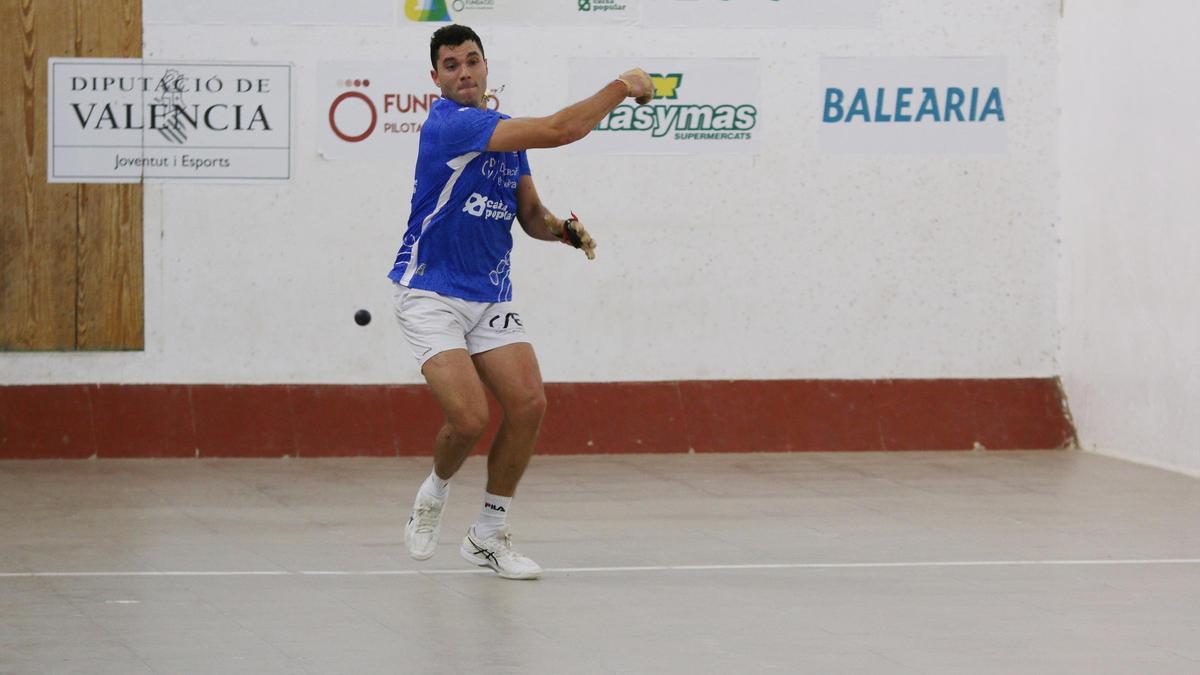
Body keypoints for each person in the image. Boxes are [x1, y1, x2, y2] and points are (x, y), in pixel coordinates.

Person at [389, 24, 652, 580]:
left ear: (486, 66)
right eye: (452, 65)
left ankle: (488, 533)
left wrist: (563, 232)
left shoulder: (506, 134)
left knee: (529, 404)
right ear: (435, 78)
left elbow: (529, 214)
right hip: (430, 292)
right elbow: (560, 129)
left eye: (472, 61)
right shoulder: (450, 125)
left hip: (490, 294)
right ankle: (434, 493)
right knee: (469, 419)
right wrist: (623, 84)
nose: (464, 72)